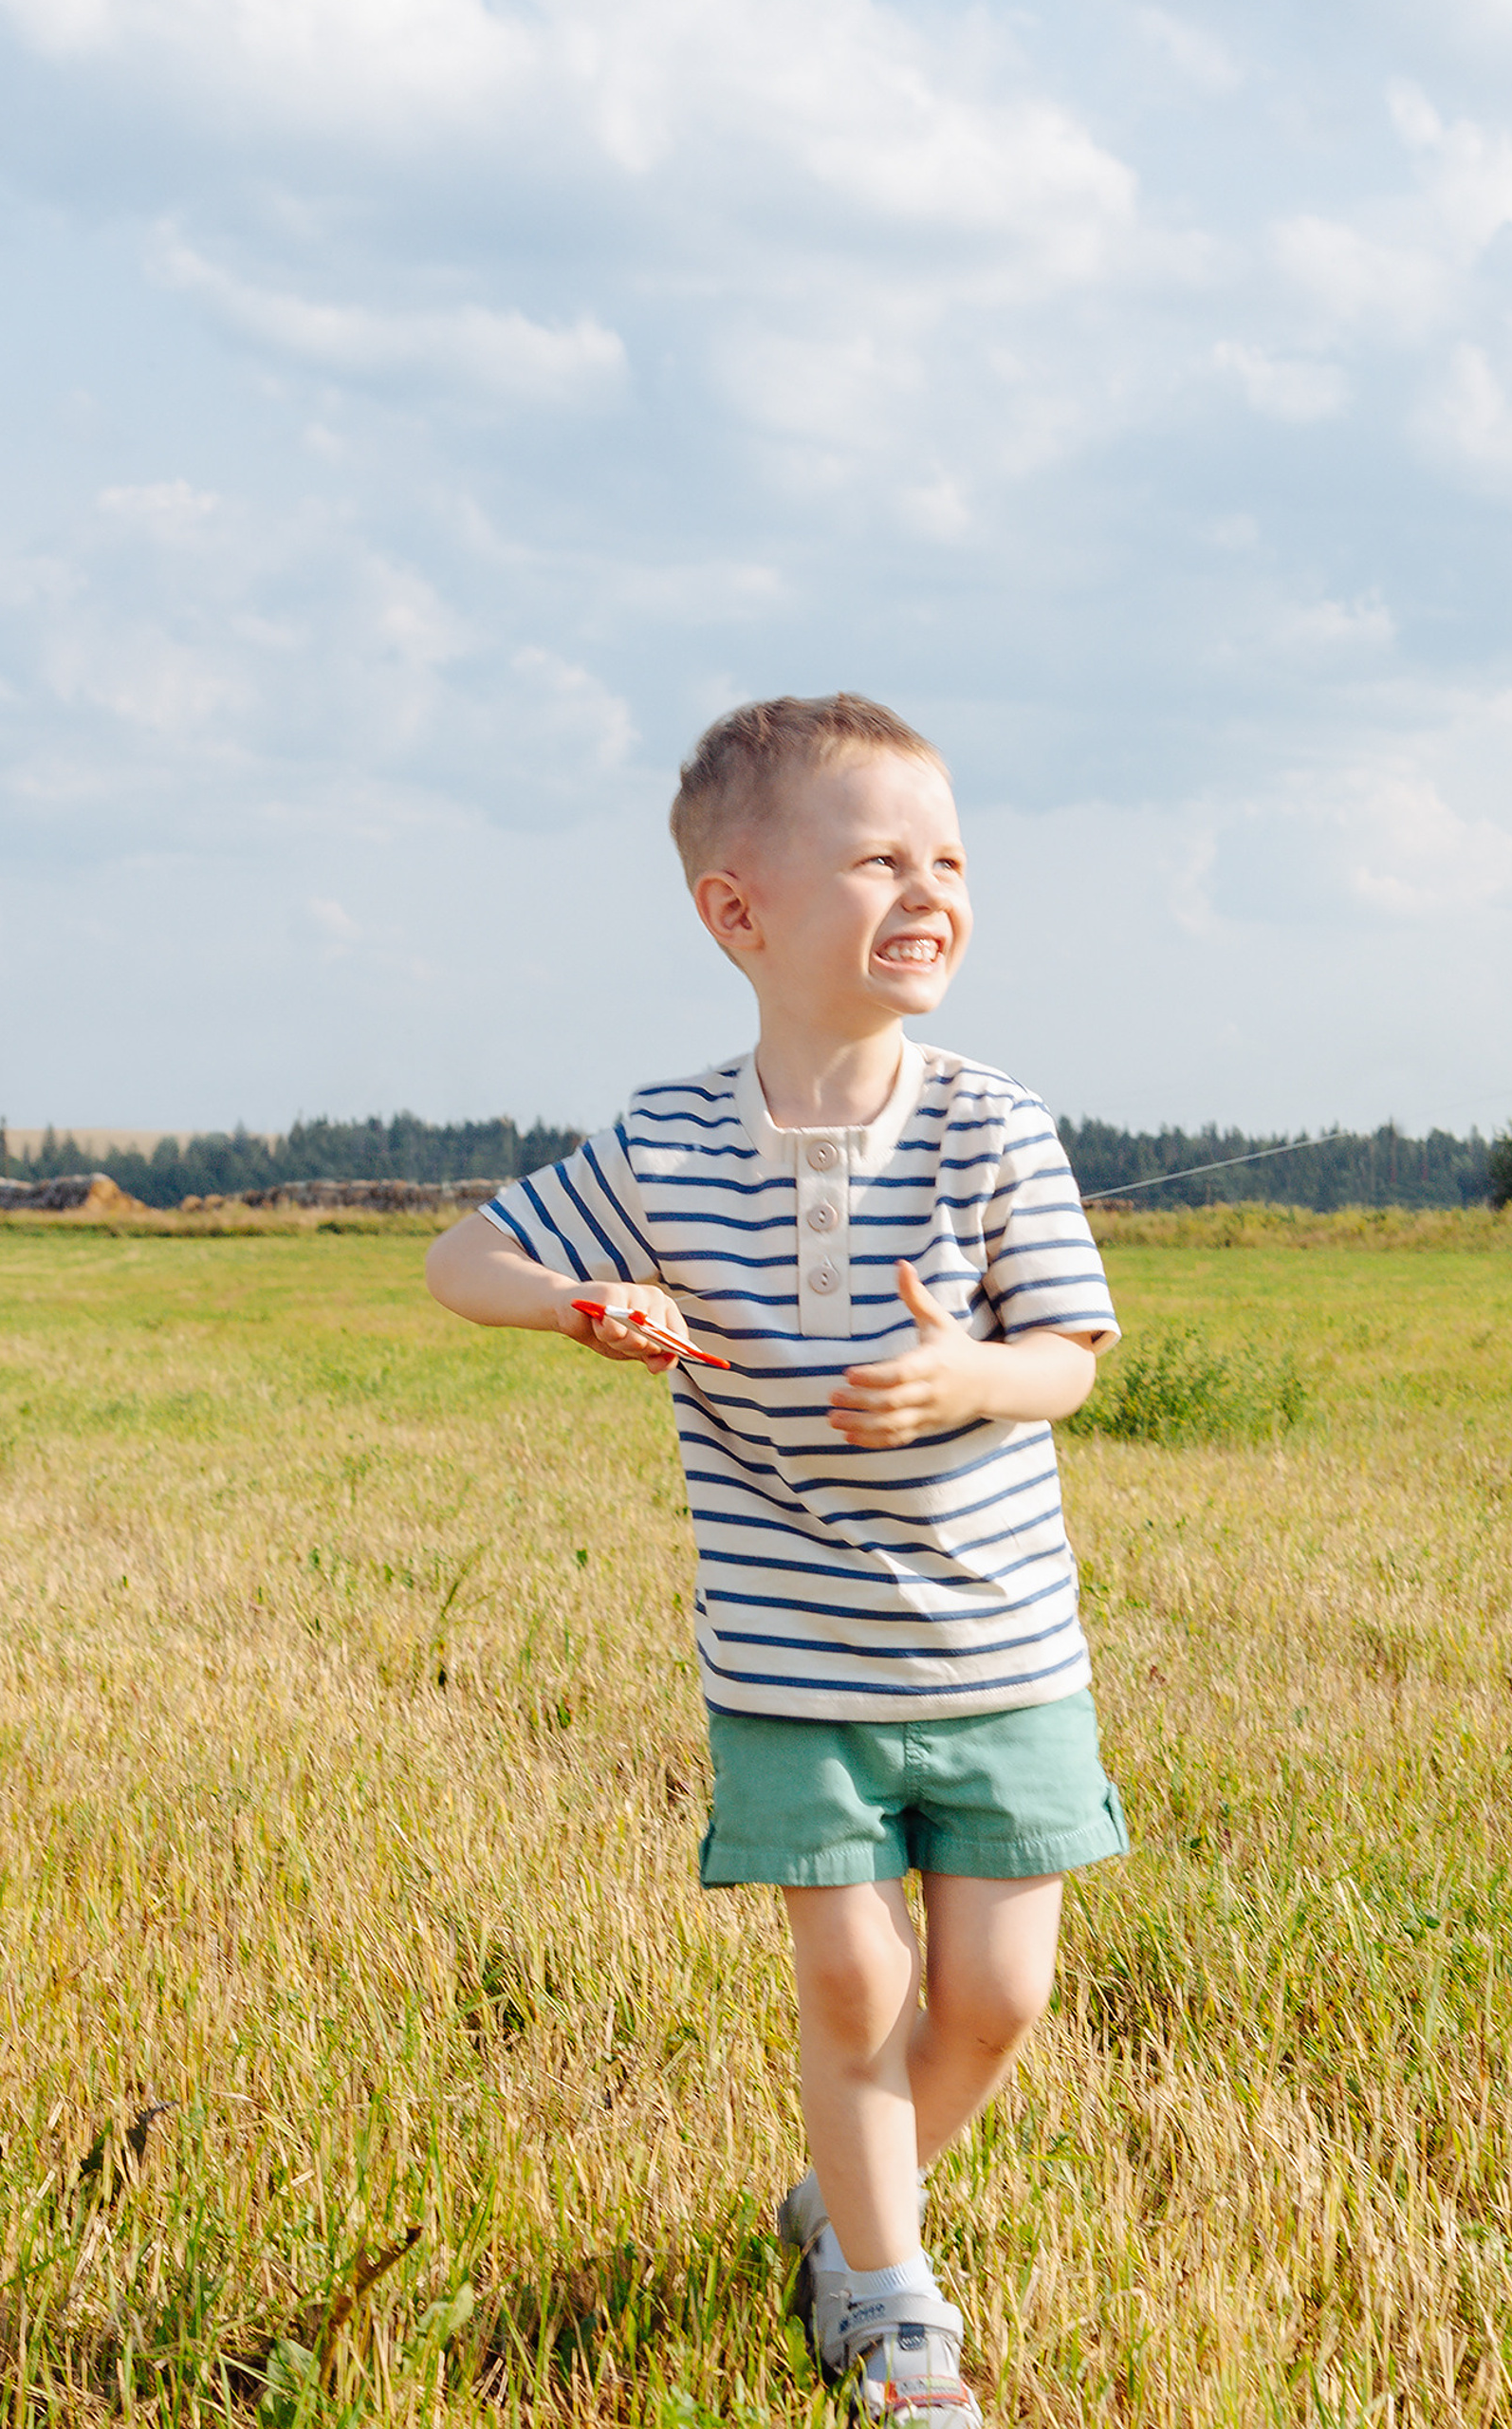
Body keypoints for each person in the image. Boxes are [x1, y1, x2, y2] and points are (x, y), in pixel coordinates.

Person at [424, 693, 1125, 2428]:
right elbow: (458, 1260)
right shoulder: (670, 1140)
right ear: (737, 912)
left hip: (1002, 1652)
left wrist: (973, 1375)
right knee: (854, 1978)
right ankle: (896, 2315)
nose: (931, 887)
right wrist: (581, 1298)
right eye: (879, 855)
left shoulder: (990, 1126)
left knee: (999, 1994)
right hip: (792, 1662)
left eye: (951, 856)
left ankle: (837, 2204)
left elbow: (1073, 1359)